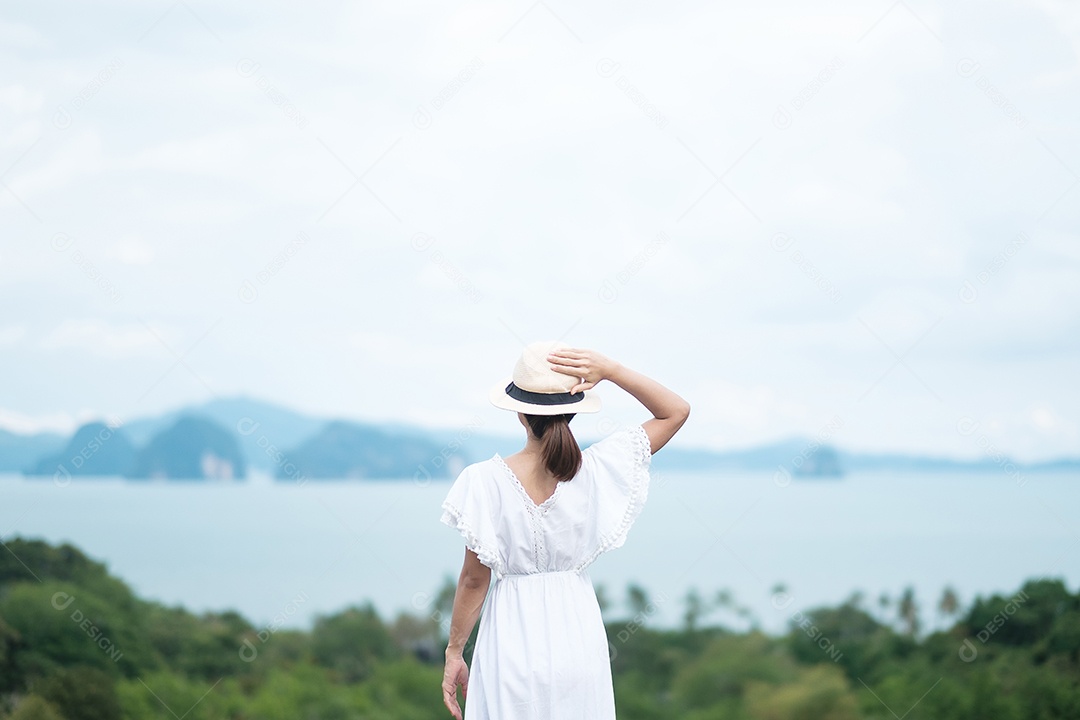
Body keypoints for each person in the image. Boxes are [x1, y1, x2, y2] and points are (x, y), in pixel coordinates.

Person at [439, 340, 690, 719]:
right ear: (574, 411)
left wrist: (455, 651)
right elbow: (675, 411)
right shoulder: (598, 469)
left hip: (510, 639)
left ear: (520, 413)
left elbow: (475, 581)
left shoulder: (482, 481)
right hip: (578, 636)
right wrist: (611, 369)